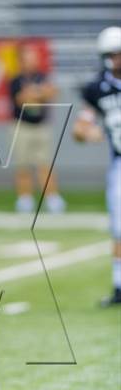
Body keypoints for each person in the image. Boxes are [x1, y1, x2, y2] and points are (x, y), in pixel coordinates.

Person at [73, 26, 121, 307]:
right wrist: (86, 132)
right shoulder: (97, 89)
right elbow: (81, 127)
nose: (116, 60)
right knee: (119, 227)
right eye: (112, 55)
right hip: (119, 162)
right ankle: (119, 286)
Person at [9, 43, 66, 213]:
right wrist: (39, 94)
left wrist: (35, 94)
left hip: (41, 126)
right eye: (29, 58)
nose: (33, 61)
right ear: (21, 61)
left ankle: (52, 198)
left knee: (45, 165)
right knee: (23, 165)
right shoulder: (15, 80)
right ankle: (25, 199)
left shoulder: (42, 77)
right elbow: (21, 99)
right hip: (22, 126)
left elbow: (52, 92)